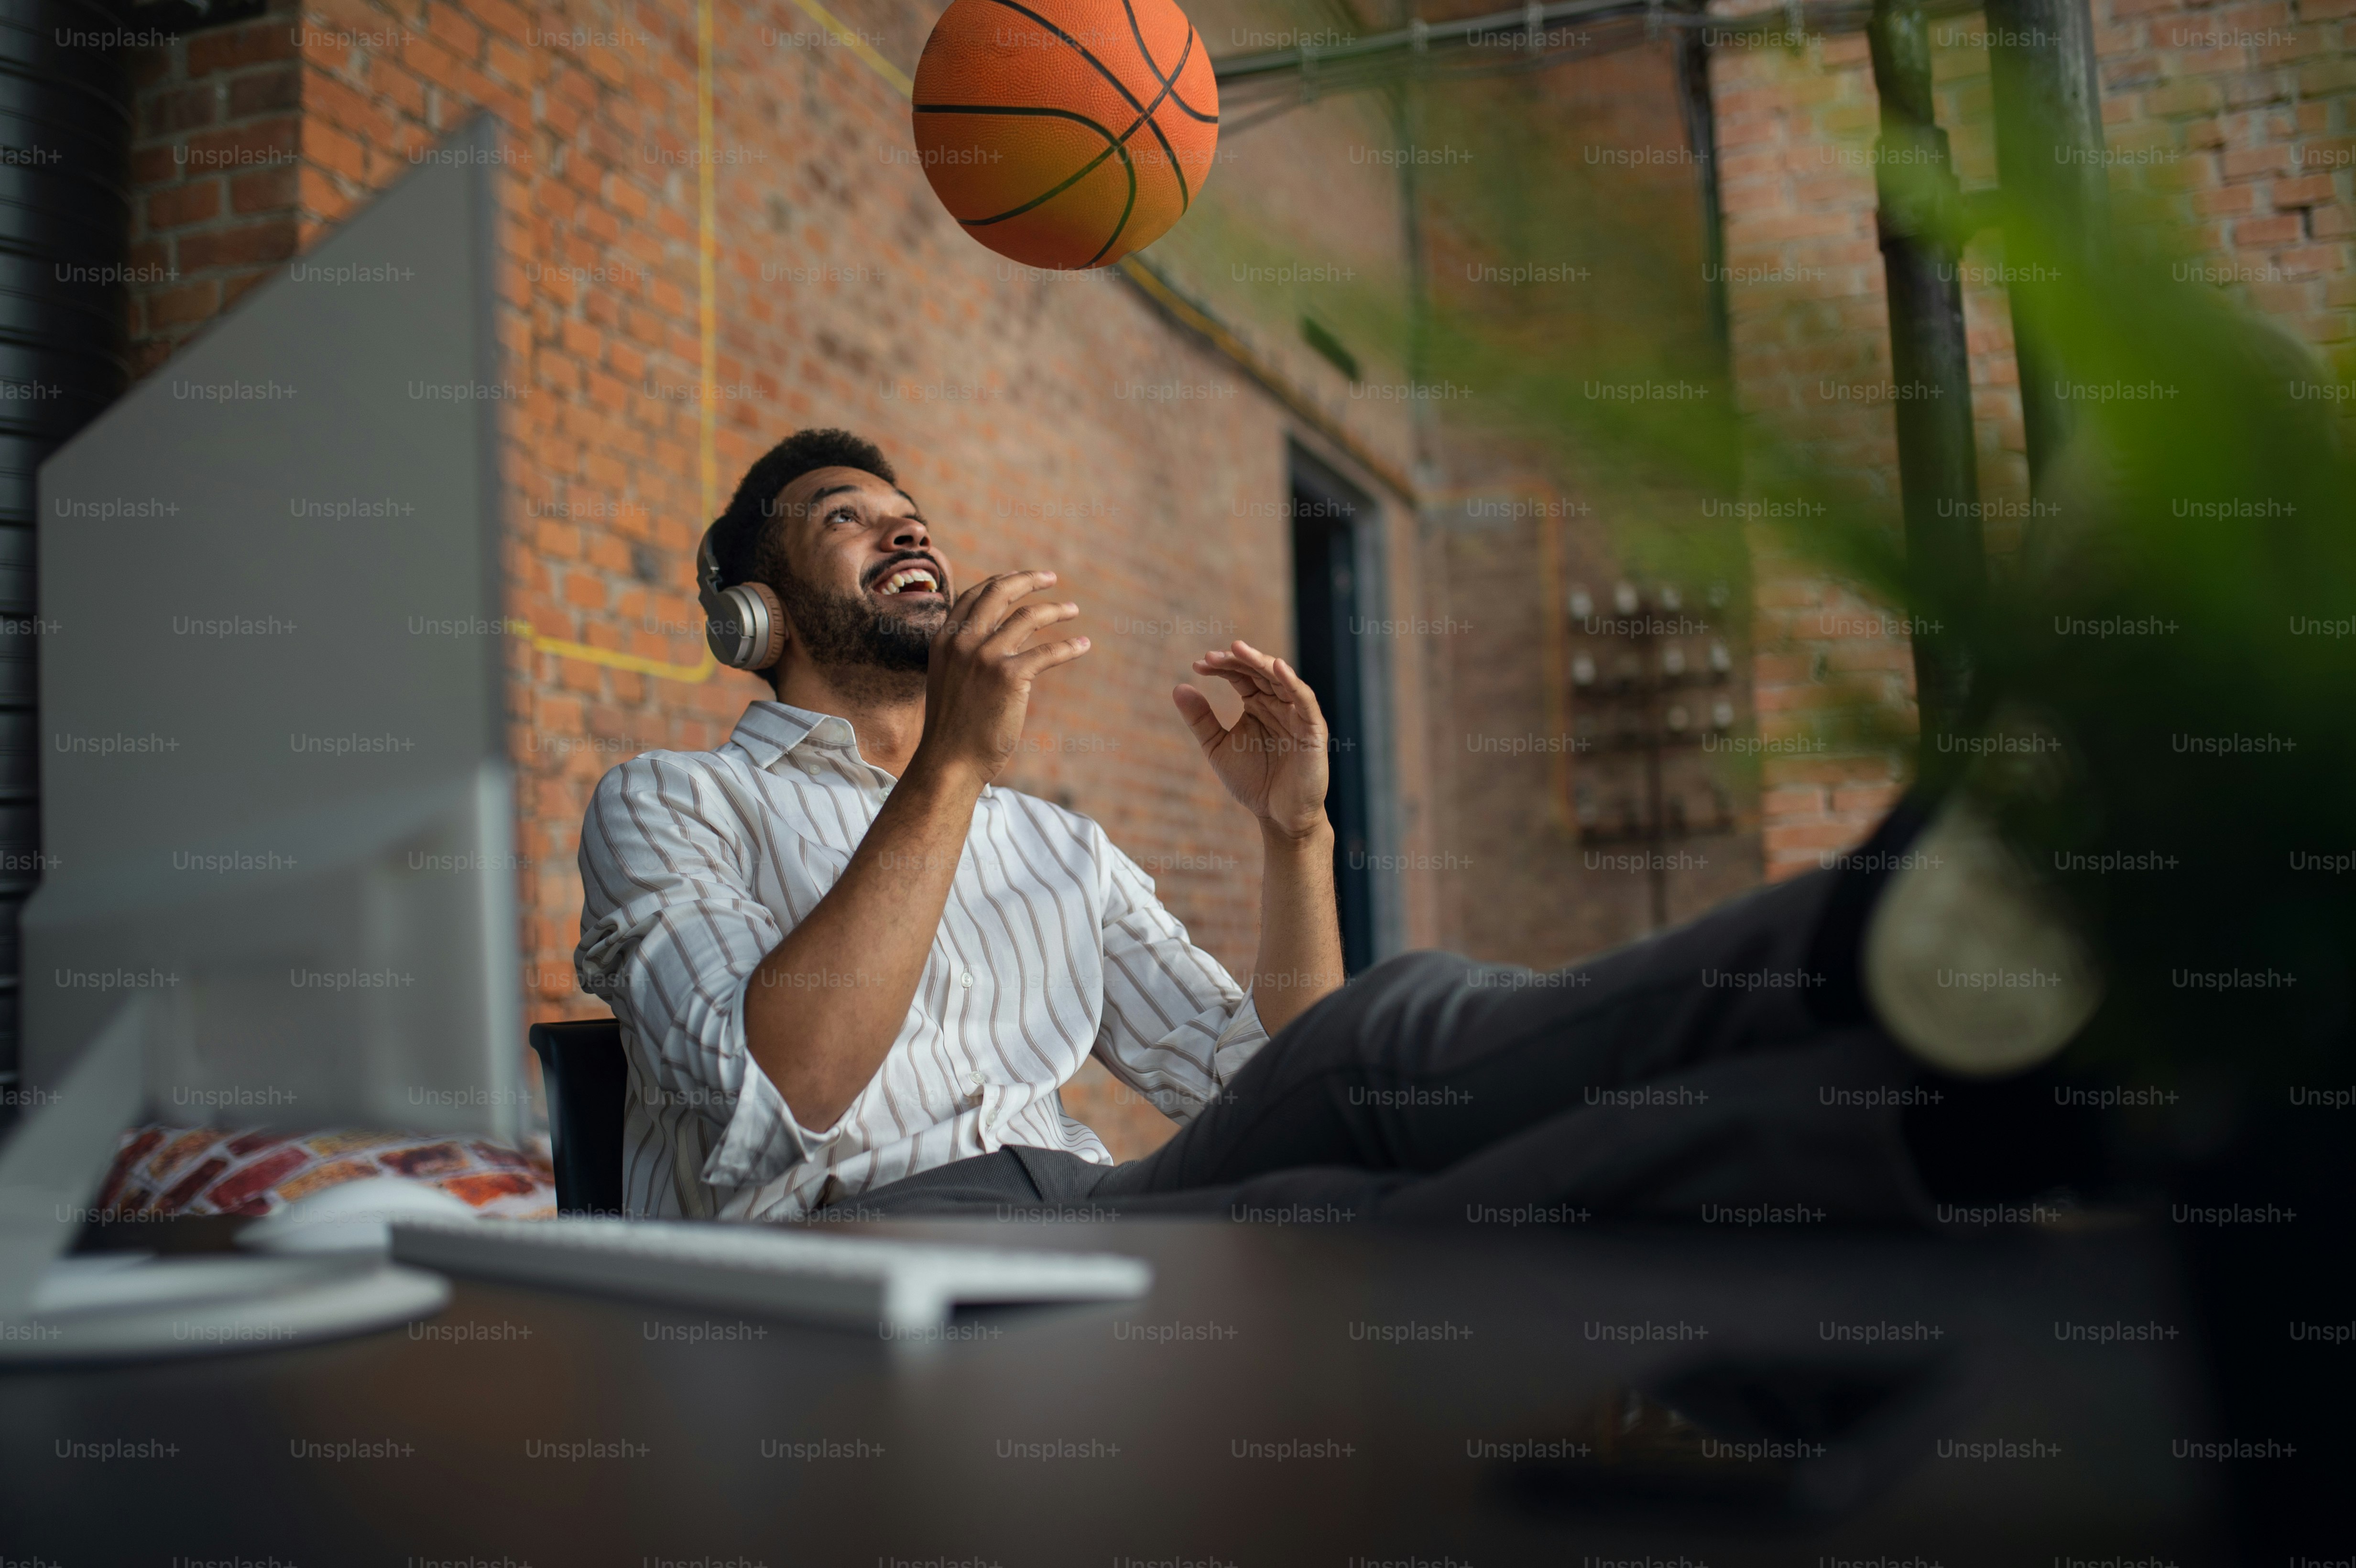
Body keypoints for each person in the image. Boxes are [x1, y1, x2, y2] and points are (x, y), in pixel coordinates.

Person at [577, 429, 2069, 1228]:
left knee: (1377, 1125)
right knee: (1356, 1152)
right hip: (854, 1263)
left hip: (1085, 1209)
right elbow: (785, 1097)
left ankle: (1959, 1104)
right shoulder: (672, 803)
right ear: (749, 614)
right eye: (848, 515)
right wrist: (952, 769)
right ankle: (1881, 939)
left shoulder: (1057, 852)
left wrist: (1298, 841)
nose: (909, 530)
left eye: (916, 513)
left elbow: (1264, 1075)